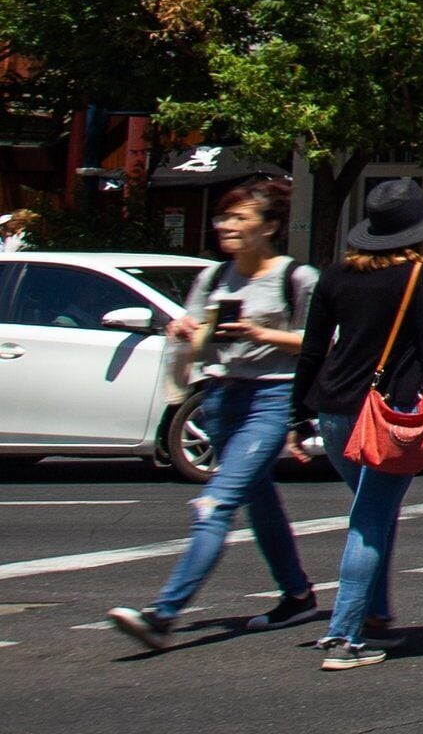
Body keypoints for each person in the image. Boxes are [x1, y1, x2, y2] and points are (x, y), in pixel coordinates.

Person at [107, 180, 319, 650]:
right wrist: (185, 330)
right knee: (259, 501)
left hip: (272, 398)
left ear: (270, 227)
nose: (226, 226)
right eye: (224, 218)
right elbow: (199, 341)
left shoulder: (297, 278)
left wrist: (260, 334)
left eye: (240, 218)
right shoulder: (213, 279)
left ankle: (162, 615)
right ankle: (298, 595)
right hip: (221, 398)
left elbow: (321, 341)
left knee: (215, 503)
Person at [287, 177, 423, 669]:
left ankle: (377, 614)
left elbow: (313, 350)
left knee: (373, 512)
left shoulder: (336, 273)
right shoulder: (420, 275)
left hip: (335, 408)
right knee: (369, 519)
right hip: (389, 410)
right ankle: (343, 637)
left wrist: (296, 415)